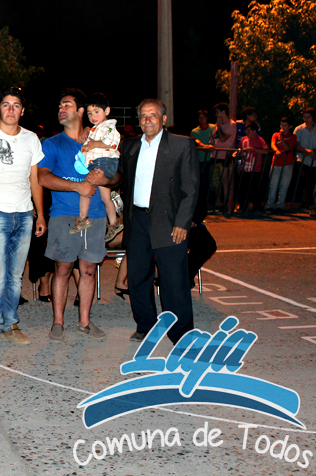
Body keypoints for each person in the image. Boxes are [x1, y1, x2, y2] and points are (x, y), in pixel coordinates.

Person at [118, 98, 199, 344]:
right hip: (137, 219)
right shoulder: (129, 146)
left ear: (163, 119)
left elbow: (191, 188)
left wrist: (183, 223)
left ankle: (181, 333)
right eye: (143, 116)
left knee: (173, 280)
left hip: (169, 221)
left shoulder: (182, 144)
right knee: (138, 277)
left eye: (153, 115)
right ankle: (145, 326)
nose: (147, 120)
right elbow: (120, 181)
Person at [0, 87, 45, 350]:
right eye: (6, 104)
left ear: (22, 111)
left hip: (24, 215)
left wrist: (40, 214)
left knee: (16, 276)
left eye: (16, 105)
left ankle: (10, 324)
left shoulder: (31, 138)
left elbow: (35, 179)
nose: (11, 109)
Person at [37, 88, 107, 341]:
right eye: (59, 106)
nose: (61, 109)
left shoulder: (97, 140)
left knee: (88, 270)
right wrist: (77, 187)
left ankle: (84, 322)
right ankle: (58, 322)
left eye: (66, 105)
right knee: (63, 269)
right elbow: (43, 178)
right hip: (64, 214)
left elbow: (116, 173)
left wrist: (107, 178)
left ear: (81, 111)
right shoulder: (52, 143)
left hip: (95, 214)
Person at [70, 93, 121, 242]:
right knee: (105, 197)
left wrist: (94, 144)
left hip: (103, 162)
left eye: (96, 111)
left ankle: (83, 219)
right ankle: (113, 223)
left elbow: (112, 143)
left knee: (85, 188)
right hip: (99, 162)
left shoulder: (109, 127)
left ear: (107, 111)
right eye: (90, 113)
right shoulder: (96, 128)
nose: (93, 116)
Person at [293, 107, 316, 214]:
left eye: (308, 117)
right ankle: (310, 204)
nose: (306, 119)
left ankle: (306, 204)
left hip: (314, 159)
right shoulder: (299, 129)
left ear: (313, 117)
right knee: (305, 179)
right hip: (302, 158)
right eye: (304, 117)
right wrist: (307, 151)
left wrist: (312, 152)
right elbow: (296, 145)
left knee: (311, 181)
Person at [235, 121, 269, 216]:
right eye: (246, 130)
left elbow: (266, 151)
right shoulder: (244, 139)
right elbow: (239, 148)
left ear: (254, 131)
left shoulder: (260, 140)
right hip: (244, 167)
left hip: (255, 169)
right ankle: (243, 207)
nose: (246, 132)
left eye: (248, 130)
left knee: (254, 189)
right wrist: (239, 152)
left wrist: (253, 149)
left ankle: (257, 208)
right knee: (242, 189)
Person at [266, 117, 297, 214]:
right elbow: (273, 144)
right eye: (281, 125)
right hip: (276, 163)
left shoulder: (293, 137)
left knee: (284, 186)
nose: (282, 127)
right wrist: (276, 150)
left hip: (287, 164)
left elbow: (287, 148)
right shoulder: (275, 134)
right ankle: (270, 205)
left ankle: (280, 206)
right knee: (273, 185)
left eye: (285, 125)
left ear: (290, 126)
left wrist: (282, 137)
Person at [211, 103, 237, 216]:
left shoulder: (231, 124)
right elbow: (213, 140)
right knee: (215, 181)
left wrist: (218, 126)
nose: (216, 115)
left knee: (224, 181)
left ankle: (226, 204)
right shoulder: (217, 126)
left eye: (217, 112)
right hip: (215, 155)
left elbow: (222, 138)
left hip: (224, 156)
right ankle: (218, 204)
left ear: (223, 112)